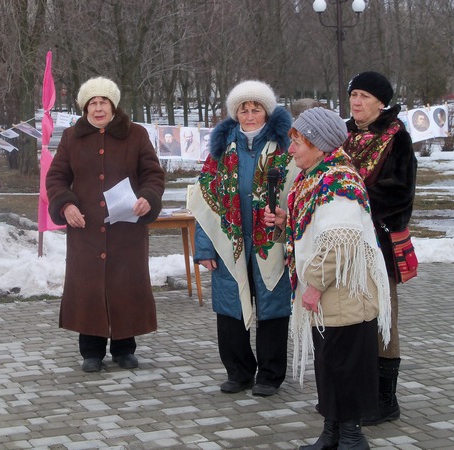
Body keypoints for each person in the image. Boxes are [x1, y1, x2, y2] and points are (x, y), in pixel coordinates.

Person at [266, 107, 391, 449]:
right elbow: (313, 230)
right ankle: (332, 433)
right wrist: (283, 225)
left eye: (297, 142)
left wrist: (315, 285)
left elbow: (341, 241)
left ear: (319, 145)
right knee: (330, 364)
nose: (290, 150)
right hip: (330, 296)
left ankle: (352, 438)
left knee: (345, 365)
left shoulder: (339, 180)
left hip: (343, 294)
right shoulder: (315, 177)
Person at [45, 76, 165, 373]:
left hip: (126, 228)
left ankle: (125, 348)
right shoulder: (72, 137)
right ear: (85, 108)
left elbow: (153, 174)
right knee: (89, 287)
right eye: (92, 103)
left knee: (125, 284)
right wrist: (66, 204)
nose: (98, 108)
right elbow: (56, 178)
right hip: (85, 228)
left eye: (104, 102)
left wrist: (148, 197)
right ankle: (91, 351)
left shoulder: (135, 135)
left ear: (114, 106)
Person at [188, 80, 298, 396]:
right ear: (235, 113)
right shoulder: (221, 150)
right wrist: (205, 246)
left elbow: (298, 192)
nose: (249, 116)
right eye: (243, 110)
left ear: (267, 111)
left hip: (271, 242)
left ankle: (270, 375)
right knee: (230, 307)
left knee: (273, 309)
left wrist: (286, 226)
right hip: (229, 243)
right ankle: (238, 372)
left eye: (256, 109)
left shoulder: (284, 147)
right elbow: (206, 200)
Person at [343, 71, 417, 426]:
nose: (356, 102)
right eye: (353, 94)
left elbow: (400, 192)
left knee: (383, 319)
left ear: (380, 102)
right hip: (342, 243)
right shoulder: (342, 134)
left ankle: (386, 400)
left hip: (380, 243)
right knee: (352, 318)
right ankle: (359, 391)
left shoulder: (396, 137)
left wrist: (351, 198)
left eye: (364, 96)